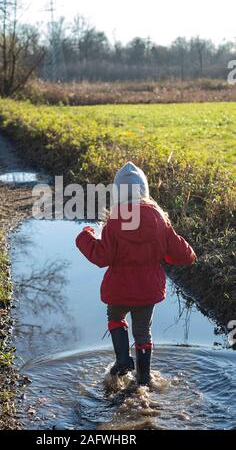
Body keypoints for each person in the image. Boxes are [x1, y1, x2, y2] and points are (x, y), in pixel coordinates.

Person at [75, 162, 197, 386]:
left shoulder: (115, 222)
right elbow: (181, 254)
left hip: (119, 289)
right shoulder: (160, 220)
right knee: (143, 332)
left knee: (116, 318)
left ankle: (122, 358)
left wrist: (86, 236)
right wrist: (188, 252)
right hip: (148, 291)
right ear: (145, 192)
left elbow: (101, 256)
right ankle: (144, 377)